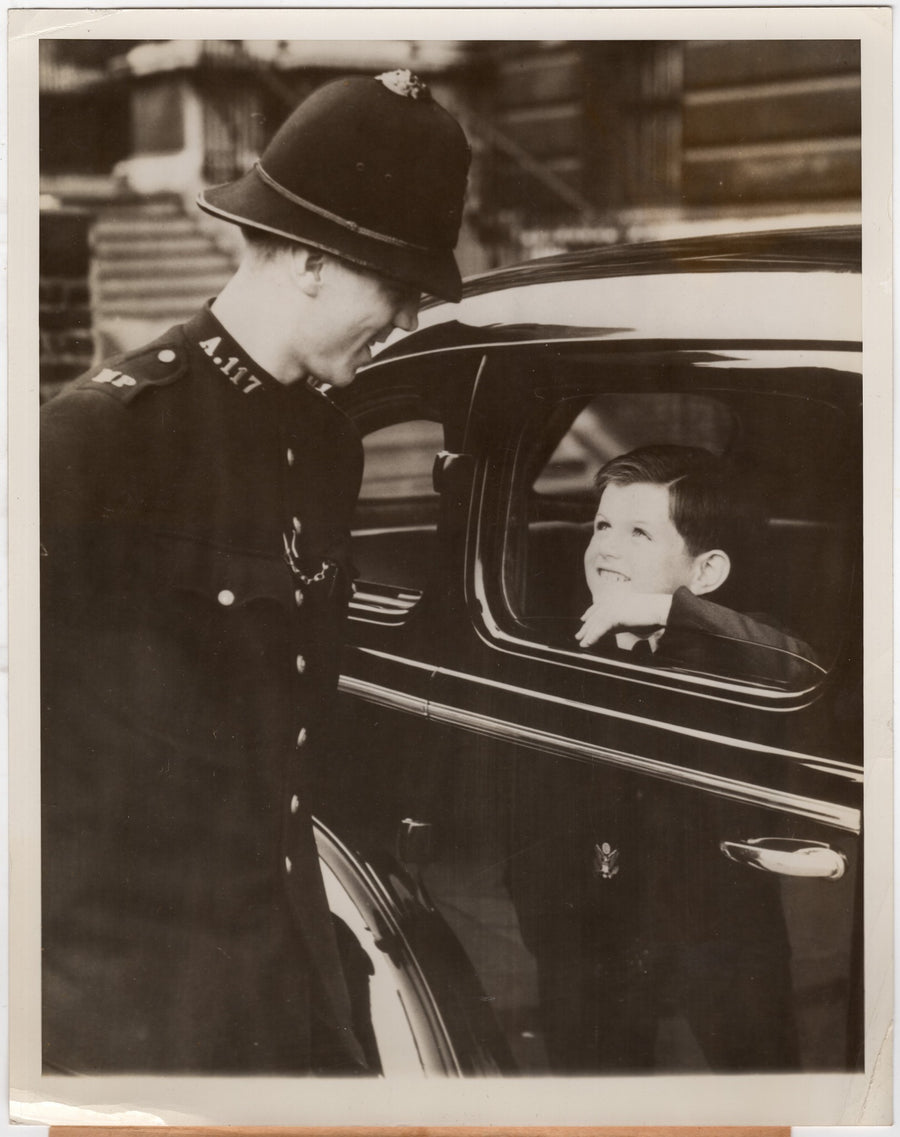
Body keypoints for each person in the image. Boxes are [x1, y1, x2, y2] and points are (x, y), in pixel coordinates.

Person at [40, 71, 470, 1074]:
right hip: (127, 1002)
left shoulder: (328, 445)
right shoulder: (96, 441)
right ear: (314, 263)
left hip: (289, 973)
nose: (406, 320)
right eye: (396, 288)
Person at [507, 445, 817, 1072]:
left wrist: (665, 610)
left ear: (704, 573)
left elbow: (801, 664)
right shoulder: (563, 642)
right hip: (590, 930)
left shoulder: (731, 642)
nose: (606, 549)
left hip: (718, 930)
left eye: (640, 532)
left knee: (759, 1079)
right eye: (601, 526)